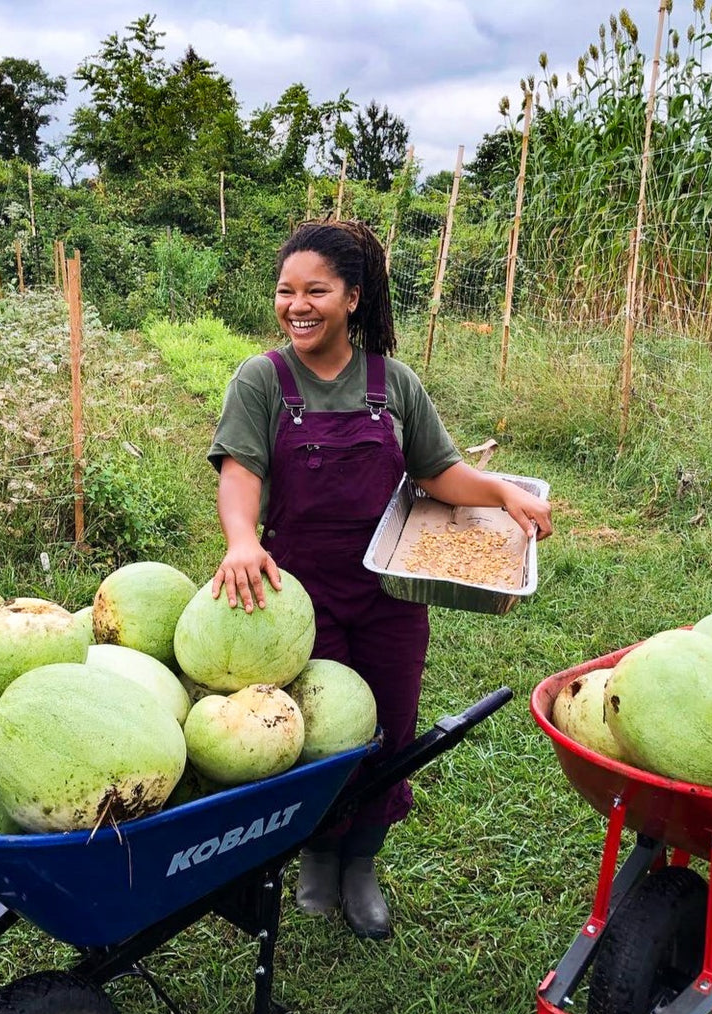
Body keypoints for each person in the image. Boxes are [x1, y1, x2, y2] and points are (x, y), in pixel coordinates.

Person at [207, 219, 552, 940]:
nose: (297, 306)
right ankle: (317, 856)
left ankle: (362, 862)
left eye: (316, 291)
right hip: (296, 595)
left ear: (354, 297)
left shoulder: (393, 383)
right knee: (320, 729)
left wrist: (500, 492)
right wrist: (241, 539)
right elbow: (241, 471)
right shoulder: (261, 379)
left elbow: (436, 473)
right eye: (285, 292)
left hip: (392, 594)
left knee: (389, 730)